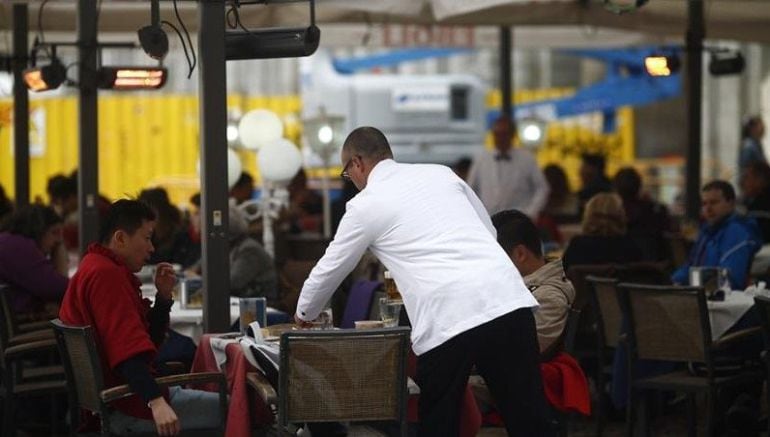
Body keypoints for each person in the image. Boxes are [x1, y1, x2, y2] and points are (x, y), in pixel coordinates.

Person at [294, 126, 554, 436]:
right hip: (507, 299)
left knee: (439, 422)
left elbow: (330, 267)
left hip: (448, 317)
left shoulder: (365, 205)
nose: (353, 182)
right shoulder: (441, 174)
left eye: (348, 174)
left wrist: (304, 314)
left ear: (357, 163)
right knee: (530, 420)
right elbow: (489, 232)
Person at [59, 199, 220, 436]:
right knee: (241, 409)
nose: (152, 248)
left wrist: (163, 298)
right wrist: (156, 402)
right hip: (129, 404)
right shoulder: (106, 276)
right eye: (146, 238)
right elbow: (127, 354)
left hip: (112, 400)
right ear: (121, 238)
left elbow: (144, 341)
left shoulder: (93, 264)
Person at [491, 209, 575, 358]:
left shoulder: (549, 298)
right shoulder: (517, 287)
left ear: (520, 254)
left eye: (494, 258)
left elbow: (519, 354)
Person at [672, 180, 762, 289]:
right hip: (701, 293)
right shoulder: (707, 231)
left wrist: (687, 283)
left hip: (722, 300)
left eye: (714, 202)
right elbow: (691, 266)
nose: (708, 208)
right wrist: (675, 280)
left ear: (731, 203)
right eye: (704, 203)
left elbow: (730, 279)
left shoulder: (737, 232)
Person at [467, 116, 549, 218]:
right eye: (497, 134)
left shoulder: (526, 158)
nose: (500, 138)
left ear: (512, 135)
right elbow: (470, 190)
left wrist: (530, 213)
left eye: (504, 134)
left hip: (517, 220)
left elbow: (542, 188)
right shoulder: (481, 159)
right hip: (488, 220)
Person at [0, 205, 68, 314]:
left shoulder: (8, 242)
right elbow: (58, 288)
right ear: (38, 229)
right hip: (17, 327)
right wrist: (61, 251)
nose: (58, 240)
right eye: (54, 232)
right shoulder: (18, 247)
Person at [562, 193, 644, 271]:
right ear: (621, 216)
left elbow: (561, 277)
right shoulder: (631, 247)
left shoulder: (578, 245)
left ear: (588, 216)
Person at [613, 167, 675, 262]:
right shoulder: (656, 210)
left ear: (616, 188)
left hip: (619, 269)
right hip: (653, 267)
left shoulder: (610, 213)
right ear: (639, 186)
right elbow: (670, 233)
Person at [741, 161, 770, 242]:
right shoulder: (752, 202)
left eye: (747, 177)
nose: (743, 182)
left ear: (760, 180)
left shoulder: (761, 206)